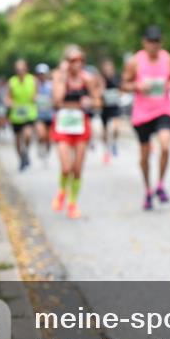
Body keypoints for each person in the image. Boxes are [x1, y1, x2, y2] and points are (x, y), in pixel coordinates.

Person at [123, 25, 170, 211]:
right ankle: (147, 189)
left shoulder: (168, 58)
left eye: (157, 42)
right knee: (145, 156)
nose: (154, 46)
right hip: (143, 112)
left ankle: (160, 185)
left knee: (165, 145)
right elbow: (124, 84)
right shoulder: (135, 62)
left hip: (163, 109)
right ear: (144, 42)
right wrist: (138, 86)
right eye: (150, 42)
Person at [50, 45, 101, 219]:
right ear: (66, 62)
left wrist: (90, 102)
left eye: (81, 60)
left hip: (80, 126)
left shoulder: (87, 79)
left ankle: (72, 204)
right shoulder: (58, 77)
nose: (77, 64)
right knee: (66, 167)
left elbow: (97, 102)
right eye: (73, 60)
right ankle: (62, 192)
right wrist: (64, 77)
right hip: (63, 125)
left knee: (77, 169)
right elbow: (57, 101)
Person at [5, 59, 38, 171]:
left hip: (29, 113)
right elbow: (8, 97)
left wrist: (35, 98)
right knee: (18, 140)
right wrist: (9, 102)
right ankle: (22, 158)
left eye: (22, 69)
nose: (20, 71)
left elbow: (36, 93)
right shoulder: (12, 81)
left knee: (28, 134)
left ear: (26, 69)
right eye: (18, 69)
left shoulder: (33, 80)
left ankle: (26, 151)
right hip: (16, 114)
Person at [99, 58, 123, 164]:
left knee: (116, 128)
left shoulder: (117, 77)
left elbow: (122, 89)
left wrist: (119, 94)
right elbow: (97, 90)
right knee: (104, 131)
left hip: (115, 106)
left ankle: (114, 143)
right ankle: (106, 150)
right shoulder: (100, 79)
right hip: (104, 107)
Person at [33, 63, 55, 163]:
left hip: (50, 115)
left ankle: (47, 152)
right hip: (39, 115)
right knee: (42, 134)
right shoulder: (34, 85)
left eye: (43, 73)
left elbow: (56, 97)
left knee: (49, 138)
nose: (41, 76)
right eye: (39, 74)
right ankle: (40, 146)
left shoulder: (51, 85)